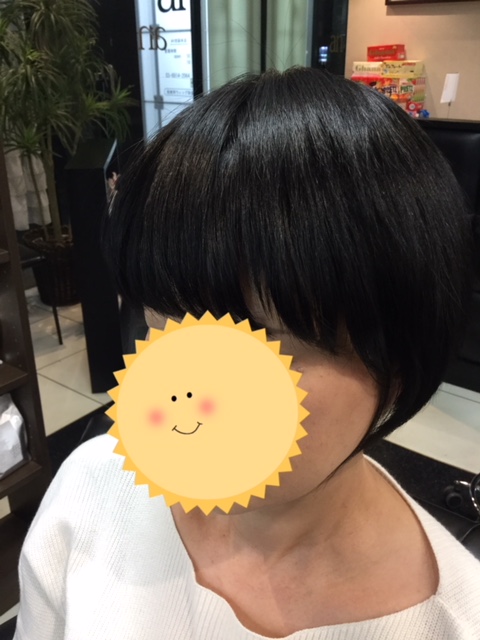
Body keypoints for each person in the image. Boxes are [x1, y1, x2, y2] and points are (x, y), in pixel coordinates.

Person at [13, 67, 480, 639]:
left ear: (401, 359)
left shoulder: (454, 623)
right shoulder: (92, 485)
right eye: (164, 322)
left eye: (265, 339)